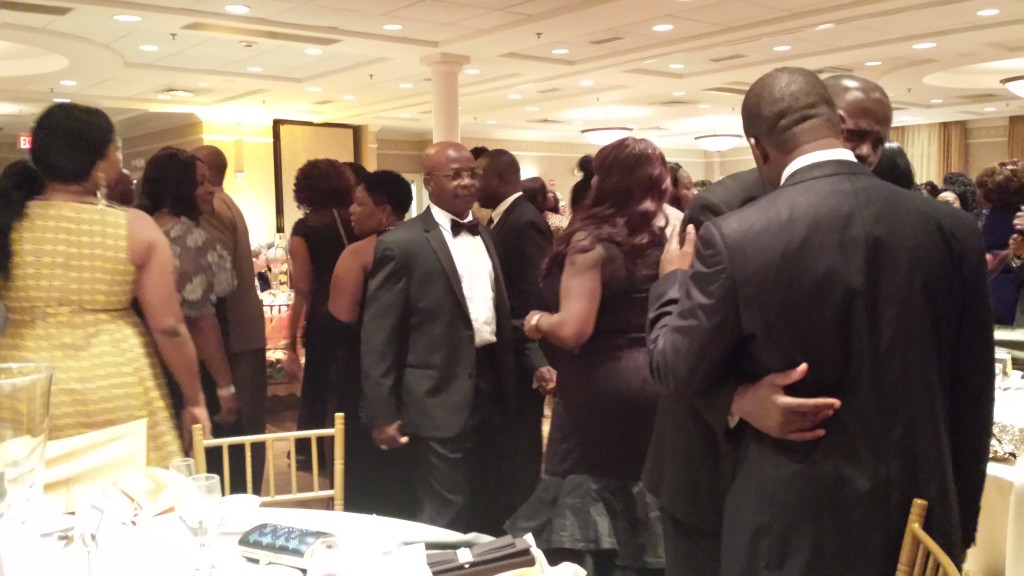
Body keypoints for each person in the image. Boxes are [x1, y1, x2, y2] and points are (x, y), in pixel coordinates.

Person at [650, 67, 993, 575]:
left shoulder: (738, 237)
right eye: (859, 134)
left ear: (757, 146)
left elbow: (674, 367)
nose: (869, 151)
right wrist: (956, 527)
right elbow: (972, 394)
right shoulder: (953, 229)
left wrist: (670, 283)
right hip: (897, 511)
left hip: (797, 517)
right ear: (833, 121)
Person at [0, 104, 211, 465]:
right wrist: (195, 400)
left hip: (24, 381)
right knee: (130, 500)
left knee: (28, 497)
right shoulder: (135, 227)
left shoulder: (9, 222)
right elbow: (169, 326)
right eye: (115, 151)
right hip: (115, 381)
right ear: (99, 162)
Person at [361, 141, 540, 535]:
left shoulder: (486, 235)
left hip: (493, 388)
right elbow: (379, 336)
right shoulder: (401, 243)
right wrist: (381, 412)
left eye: (472, 174)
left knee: (491, 497)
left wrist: (536, 359)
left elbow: (498, 314)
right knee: (444, 509)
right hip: (436, 395)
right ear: (429, 183)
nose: (466, 182)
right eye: (454, 175)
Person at [507, 138, 668, 576]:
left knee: (583, 503)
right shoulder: (661, 239)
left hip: (600, 388)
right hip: (657, 380)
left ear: (603, 181)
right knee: (640, 500)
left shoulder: (591, 243)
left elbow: (575, 329)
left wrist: (537, 321)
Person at [139, 148, 241, 478]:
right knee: (210, 466)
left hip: (150, 362)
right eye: (199, 183)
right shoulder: (188, 237)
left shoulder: (146, 229)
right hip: (189, 367)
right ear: (176, 189)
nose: (210, 189)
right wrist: (225, 387)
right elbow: (200, 322)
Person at [326, 169, 415, 518]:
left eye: (359, 202)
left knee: (366, 476)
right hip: (418, 374)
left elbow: (341, 322)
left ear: (385, 211)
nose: (351, 209)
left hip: (365, 371)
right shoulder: (426, 246)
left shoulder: (358, 254)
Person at [475, 149, 555, 513]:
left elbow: (532, 296)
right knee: (503, 447)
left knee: (520, 447)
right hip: (505, 353)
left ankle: (523, 528)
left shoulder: (525, 222)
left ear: (503, 179)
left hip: (520, 355)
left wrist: (533, 357)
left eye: (479, 176)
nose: (473, 184)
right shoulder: (499, 220)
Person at [193, 144, 269, 492]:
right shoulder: (227, 204)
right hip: (242, 327)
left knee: (238, 425)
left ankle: (239, 496)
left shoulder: (212, 208)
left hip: (232, 331)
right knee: (246, 426)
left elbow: (215, 281)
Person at [284, 158, 358, 464]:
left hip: (324, 311)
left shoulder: (305, 227)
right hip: (358, 306)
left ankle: (311, 451)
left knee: (318, 380)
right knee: (351, 379)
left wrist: (291, 339)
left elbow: (303, 285)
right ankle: (351, 447)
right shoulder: (356, 219)